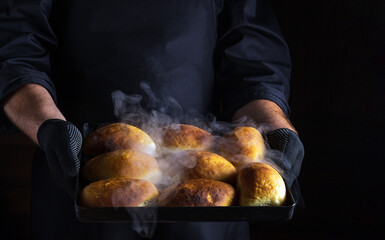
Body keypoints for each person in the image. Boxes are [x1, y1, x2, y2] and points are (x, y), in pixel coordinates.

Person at [0, 0, 304, 239]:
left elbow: (255, 65)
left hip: (207, 196)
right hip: (76, 169)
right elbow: (15, 51)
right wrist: (49, 126)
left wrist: (274, 127)